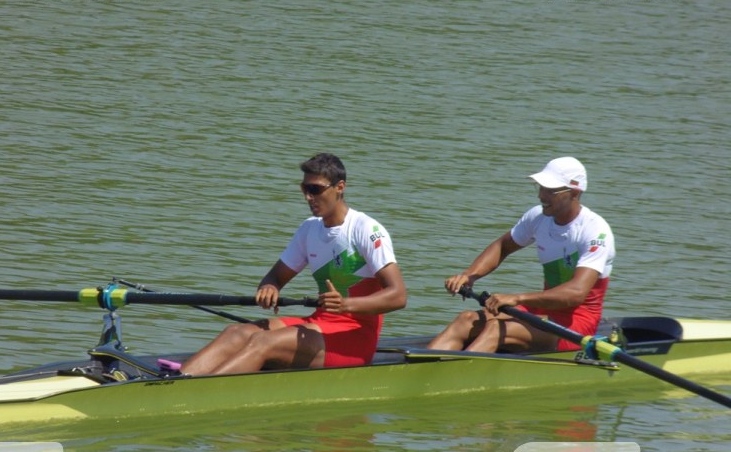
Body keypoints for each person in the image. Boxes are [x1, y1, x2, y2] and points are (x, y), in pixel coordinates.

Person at [181, 153, 407, 375]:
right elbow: (275, 277)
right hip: (320, 323)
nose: (308, 197)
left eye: (316, 189)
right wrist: (270, 288)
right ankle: (175, 383)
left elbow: (398, 296)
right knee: (236, 333)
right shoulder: (309, 229)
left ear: (340, 187)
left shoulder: (366, 229)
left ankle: (194, 396)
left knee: (263, 342)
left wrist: (345, 305)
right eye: (305, 189)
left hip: (354, 337)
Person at [428, 156, 615, 354]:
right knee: (465, 320)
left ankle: (457, 377)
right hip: (544, 313)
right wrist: (469, 276)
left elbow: (577, 293)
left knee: (497, 329)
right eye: (540, 188)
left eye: (550, 191)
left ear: (575, 193)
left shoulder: (595, 231)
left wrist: (517, 298)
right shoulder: (538, 217)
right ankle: (419, 372)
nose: (541, 196)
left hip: (576, 327)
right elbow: (502, 246)